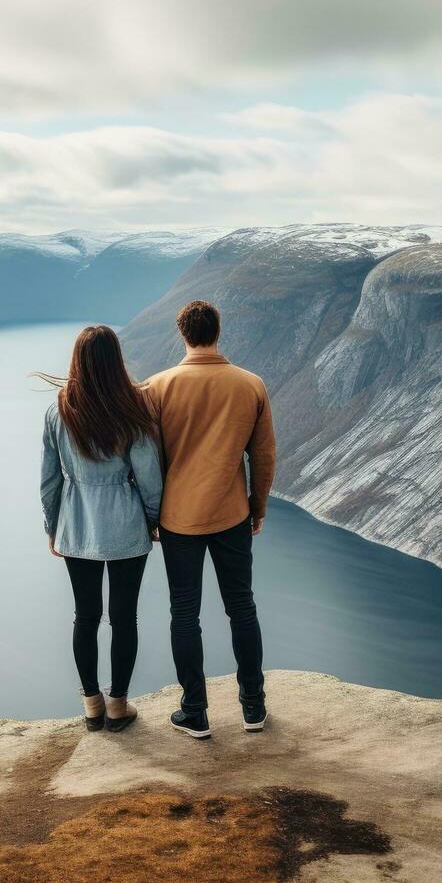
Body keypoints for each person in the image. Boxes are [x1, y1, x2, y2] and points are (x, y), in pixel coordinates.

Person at [144, 300, 275, 739]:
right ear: (217, 331)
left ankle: (195, 713)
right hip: (232, 512)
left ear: (183, 335)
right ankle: (253, 708)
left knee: (185, 613)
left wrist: (151, 515)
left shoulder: (157, 387)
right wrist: (257, 506)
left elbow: (148, 461)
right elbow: (263, 455)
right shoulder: (250, 384)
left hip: (179, 519)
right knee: (242, 607)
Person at [38, 325, 163, 733]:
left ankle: (91, 704)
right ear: (116, 361)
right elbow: (148, 476)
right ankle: (117, 705)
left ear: (78, 361)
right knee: (124, 618)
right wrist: (152, 520)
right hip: (126, 526)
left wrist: (52, 527)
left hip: (77, 525)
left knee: (85, 616)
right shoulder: (133, 407)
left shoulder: (59, 409)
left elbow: (49, 479)